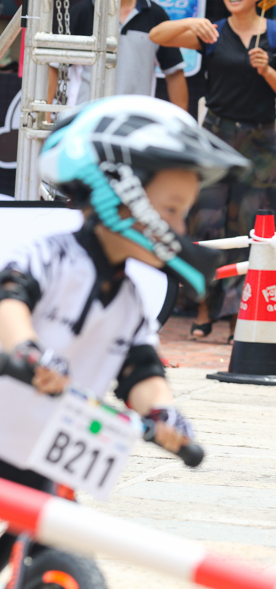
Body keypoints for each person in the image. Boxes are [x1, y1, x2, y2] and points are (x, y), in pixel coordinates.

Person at [0, 95, 247, 565]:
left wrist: (164, 413)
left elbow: (139, 368)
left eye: (183, 214)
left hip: (45, 448)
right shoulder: (50, 256)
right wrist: (28, 351)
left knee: (56, 546)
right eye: (171, 210)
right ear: (119, 191)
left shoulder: (133, 299)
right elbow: (10, 300)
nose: (177, 226)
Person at [149, 0, 276, 341]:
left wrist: (267, 71)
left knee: (250, 228)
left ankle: (236, 318)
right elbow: (157, 36)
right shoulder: (213, 32)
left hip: (259, 143)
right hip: (215, 137)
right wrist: (191, 21)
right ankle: (203, 308)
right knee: (206, 224)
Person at [47, 0, 189, 110]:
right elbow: (54, 65)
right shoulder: (82, 12)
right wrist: (46, 117)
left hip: (134, 121)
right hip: (87, 116)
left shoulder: (155, 15)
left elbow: (174, 72)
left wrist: (182, 129)